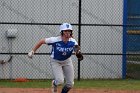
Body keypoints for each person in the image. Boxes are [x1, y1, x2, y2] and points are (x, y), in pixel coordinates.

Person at [28, 23, 83, 93]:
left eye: (69, 31)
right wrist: (33, 51)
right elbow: (42, 41)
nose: (67, 33)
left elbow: (77, 51)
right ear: (61, 32)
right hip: (55, 61)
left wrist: (78, 54)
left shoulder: (73, 41)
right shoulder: (55, 40)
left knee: (70, 84)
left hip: (67, 61)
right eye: (65, 31)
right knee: (60, 81)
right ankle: (54, 83)